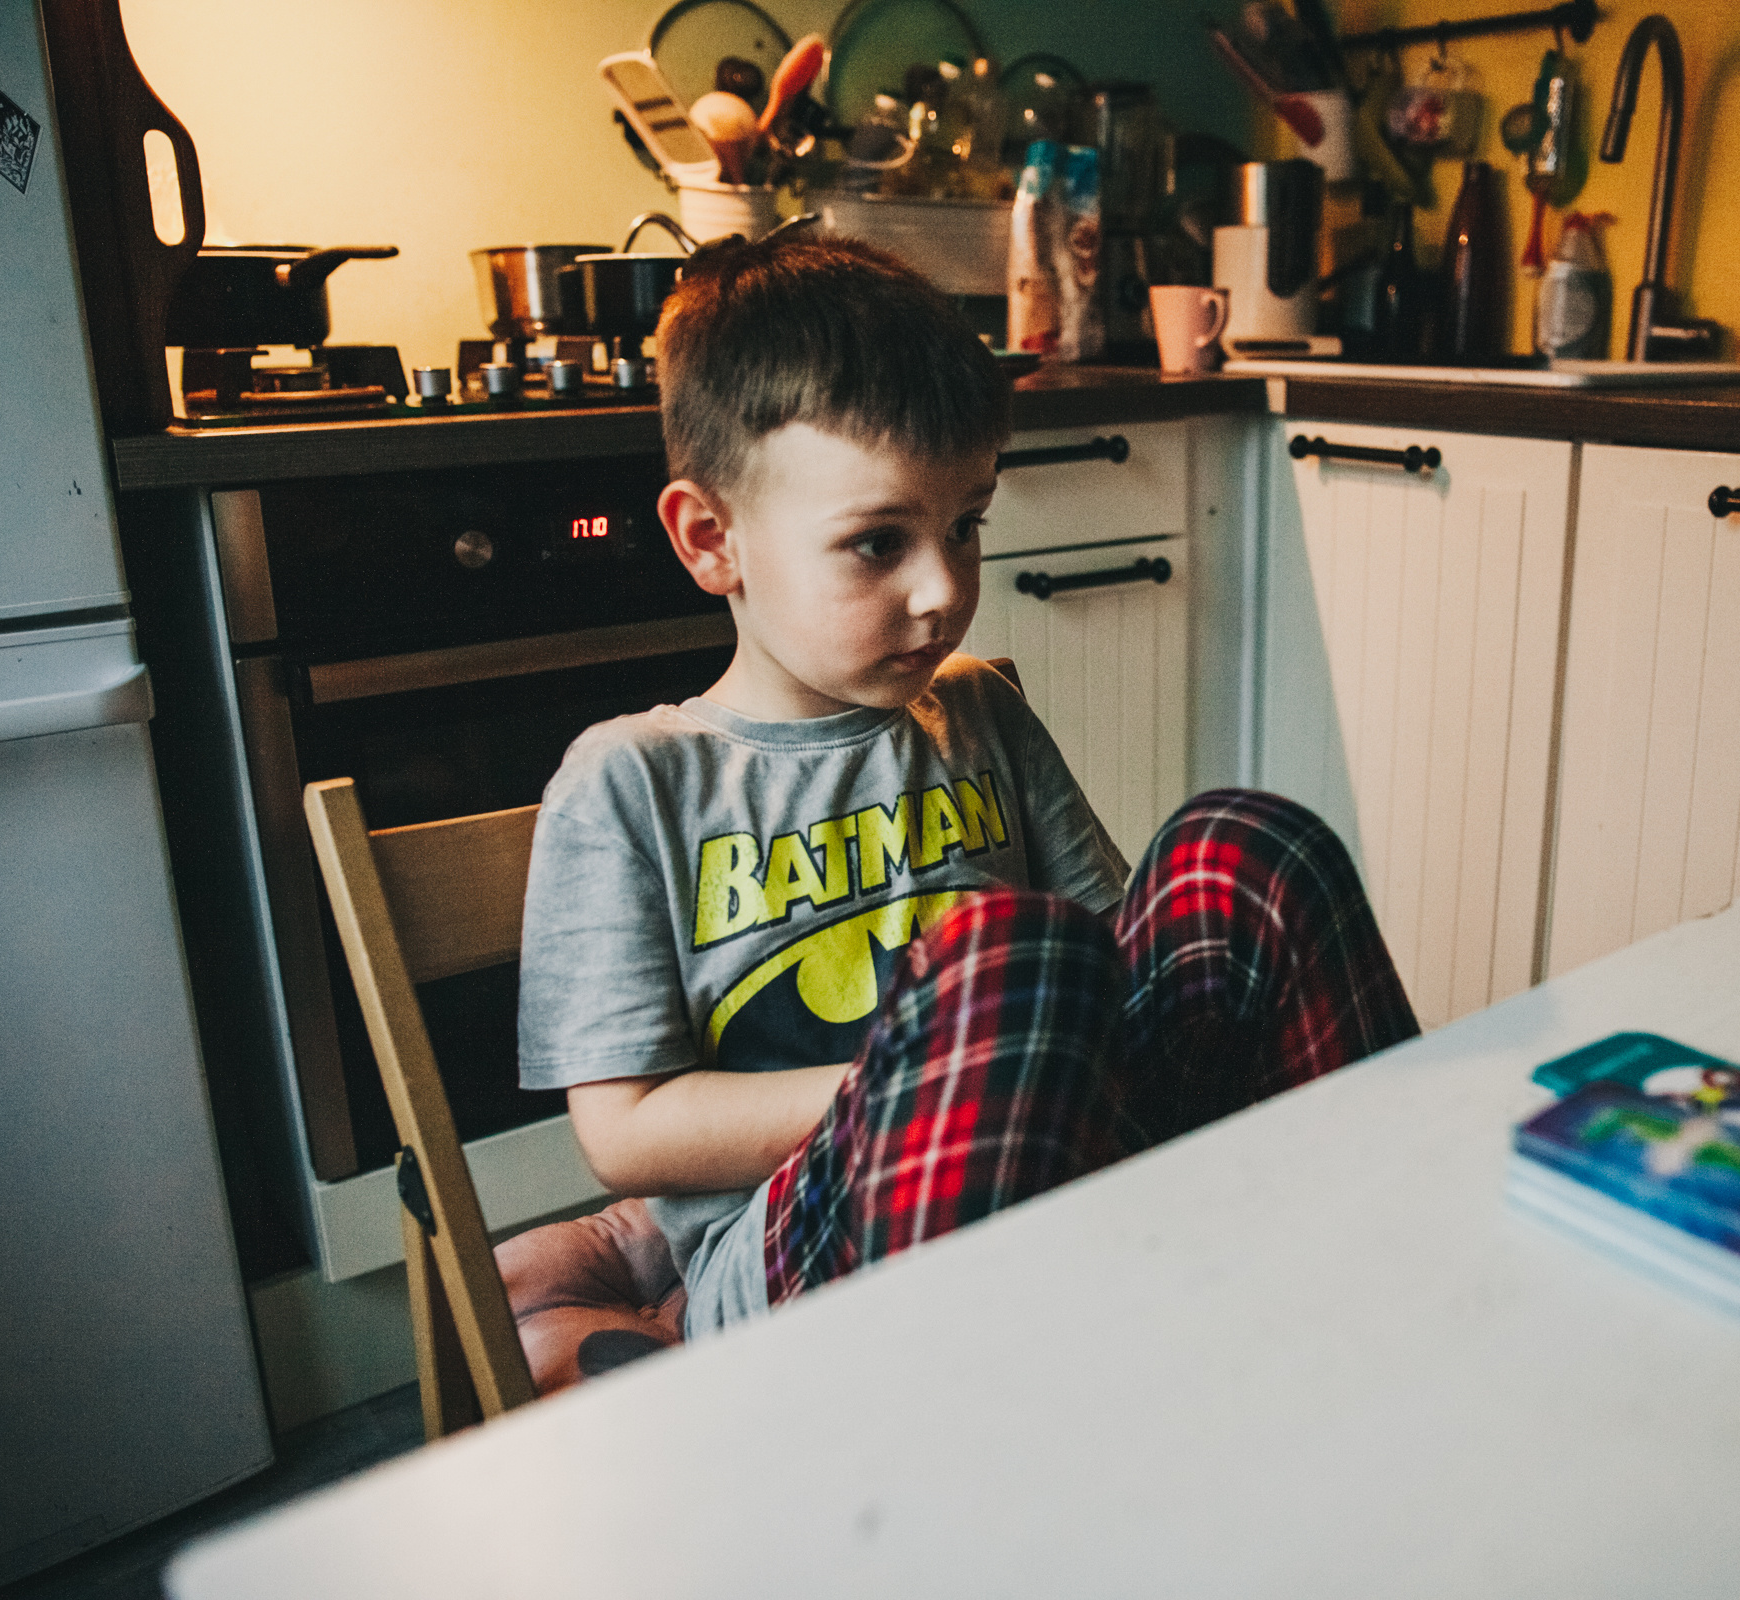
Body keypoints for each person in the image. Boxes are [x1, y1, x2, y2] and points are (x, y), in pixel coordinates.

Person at [517, 228, 1418, 1340]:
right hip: (795, 1252)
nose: (944, 588)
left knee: (1245, 846)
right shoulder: (631, 783)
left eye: (966, 524)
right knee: (1004, 963)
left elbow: (1120, 957)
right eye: (877, 542)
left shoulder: (979, 709)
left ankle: (1397, 1261)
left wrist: (1022, 1060)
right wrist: (932, 1069)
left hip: (1049, 1162)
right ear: (713, 541)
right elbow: (628, 1133)